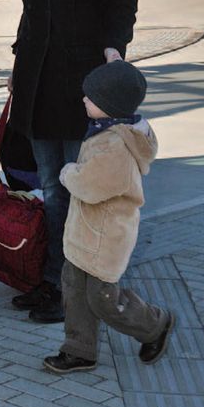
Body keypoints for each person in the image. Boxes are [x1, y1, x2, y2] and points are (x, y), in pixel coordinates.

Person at [7, 0, 138, 323]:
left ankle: (70, 291)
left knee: (77, 188)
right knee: (47, 184)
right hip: (37, 76)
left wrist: (113, 51)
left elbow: (121, 1)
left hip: (82, 83)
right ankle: (49, 279)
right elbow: (32, 6)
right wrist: (17, 61)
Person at [42, 60, 174, 374]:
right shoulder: (107, 131)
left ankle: (153, 325)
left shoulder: (116, 146)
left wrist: (68, 171)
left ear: (110, 105)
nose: (84, 100)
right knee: (74, 289)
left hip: (104, 237)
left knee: (101, 299)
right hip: (86, 232)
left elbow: (89, 186)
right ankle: (79, 349)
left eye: (91, 97)